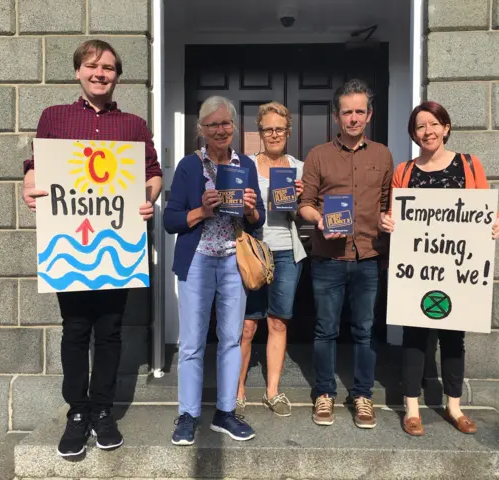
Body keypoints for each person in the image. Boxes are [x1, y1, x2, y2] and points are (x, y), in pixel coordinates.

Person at [21, 40, 163, 457]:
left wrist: (148, 198)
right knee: (76, 330)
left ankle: (103, 410)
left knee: (111, 331)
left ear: (118, 75)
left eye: (108, 68)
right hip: (70, 247)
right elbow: (35, 167)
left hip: (116, 247)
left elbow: (152, 173)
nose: (100, 73)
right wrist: (28, 186)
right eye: (92, 66)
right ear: (79, 72)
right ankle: (77, 413)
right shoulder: (55, 117)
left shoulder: (134, 125)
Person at [378, 101, 499, 436]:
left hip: (455, 269)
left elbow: (484, 212)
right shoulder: (404, 171)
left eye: (434, 124)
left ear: (446, 128)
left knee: (453, 338)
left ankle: (453, 406)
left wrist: (495, 225)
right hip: (417, 270)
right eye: (420, 127)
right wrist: (387, 221)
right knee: (414, 338)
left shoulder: (468, 165)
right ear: (413, 134)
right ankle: (411, 409)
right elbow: (393, 215)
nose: (428, 132)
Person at [163, 96, 265, 445]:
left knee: (231, 340)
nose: (220, 130)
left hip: (234, 261)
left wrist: (251, 209)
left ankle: (224, 412)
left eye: (226, 123)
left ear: (234, 127)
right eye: (212, 125)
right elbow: (171, 220)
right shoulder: (190, 166)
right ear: (201, 130)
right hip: (198, 260)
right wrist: (200, 212)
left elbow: (259, 218)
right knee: (192, 343)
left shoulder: (246, 164)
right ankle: (188, 415)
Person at [298, 79, 393, 428]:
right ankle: (324, 393)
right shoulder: (318, 155)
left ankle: (362, 395)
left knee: (365, 330)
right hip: (328, 258)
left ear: (369, 115)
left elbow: (387, 203)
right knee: (325, 329)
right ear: (336, 117)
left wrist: (388, 219)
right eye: (346, 112)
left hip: (368, 257)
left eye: (359, 111)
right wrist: (319, 219)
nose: (353, 118)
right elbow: (304, 204)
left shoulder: (383, 155)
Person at [235, 102, 306, 418]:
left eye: (280, 128)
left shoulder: (300, 168)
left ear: (288, 132)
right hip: (252, 252)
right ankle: (236, 393)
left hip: (287, 252)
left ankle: (272, 391)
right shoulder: (245, 166)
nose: (274, 134)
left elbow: (303, 214)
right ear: (259, 132)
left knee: (278, 320)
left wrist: (301, 199)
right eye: (268, 129)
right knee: (247, 325)